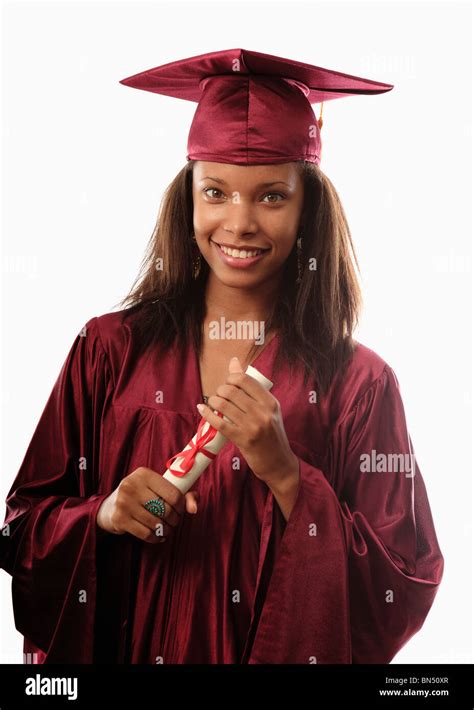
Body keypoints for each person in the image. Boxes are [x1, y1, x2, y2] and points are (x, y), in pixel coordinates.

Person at [0, 49, 443, 664]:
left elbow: (405, 579)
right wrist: (102, 515)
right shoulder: (108, 350)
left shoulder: (360, 384)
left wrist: (288, 475)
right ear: (188, 200)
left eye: (270, 197)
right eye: (216, 191)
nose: (238, 222)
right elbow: (21, 526)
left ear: (307, 206)